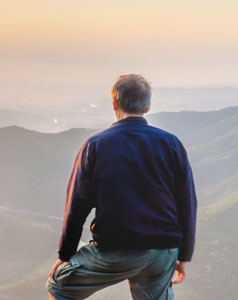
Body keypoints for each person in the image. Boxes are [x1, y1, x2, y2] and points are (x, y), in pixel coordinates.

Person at [47, 74, 197, 300]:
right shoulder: (171, 144)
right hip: (163, 250)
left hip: (115, 249)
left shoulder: (96, 145)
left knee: (59, 286)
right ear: (147, 106)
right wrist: (183, 255)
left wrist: (65, 255)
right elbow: (187, 204)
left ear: (115, 104)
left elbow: (77, 206)